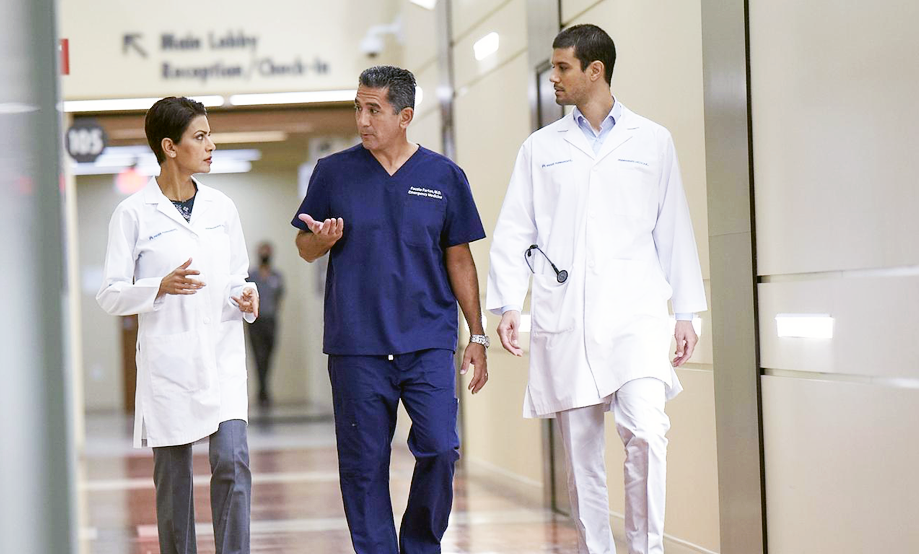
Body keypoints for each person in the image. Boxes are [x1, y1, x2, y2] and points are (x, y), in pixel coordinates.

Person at [485, 25, 706, 554]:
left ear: (595, 70)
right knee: (582, 458)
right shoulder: (540, 149)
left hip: (637, 315)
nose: (554, 78)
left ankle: (646, 548)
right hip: (568, 317)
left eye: (562, 68)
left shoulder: (652, 141)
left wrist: (688, 313)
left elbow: (673, 226)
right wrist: (509, 304)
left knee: (648, 434)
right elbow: (517, 228)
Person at [291, 65, 489, 554]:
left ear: (405, 115)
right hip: (357, 345)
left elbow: (459, 257)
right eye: (357, 107)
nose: (362, 119)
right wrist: (320, 241)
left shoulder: (444, 176)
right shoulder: (333, 173)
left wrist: (478, 335)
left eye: (373, 109)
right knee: (363, 466)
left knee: (441, 449)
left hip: (428, 342)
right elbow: (303, 246)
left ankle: (421, 544)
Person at [96, 96, 259, 554]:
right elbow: (110, 293)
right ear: (169, 146)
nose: (212, 145)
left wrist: (245, 295)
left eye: (210, 135)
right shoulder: (133, 214)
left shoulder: (222, 208)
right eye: (200, 136)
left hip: (221, 356)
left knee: (232, 461)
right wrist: (158, 286)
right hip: (169, 364)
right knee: (174, 483)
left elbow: (236, 276)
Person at [246, 242, 284, 407]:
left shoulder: (277, 276)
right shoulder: (251, 276)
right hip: (255, 322)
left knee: (268, 355)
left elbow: (279, 297)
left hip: (271, 320)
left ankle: (264, 389)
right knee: (258, 355)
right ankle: (262, 392)